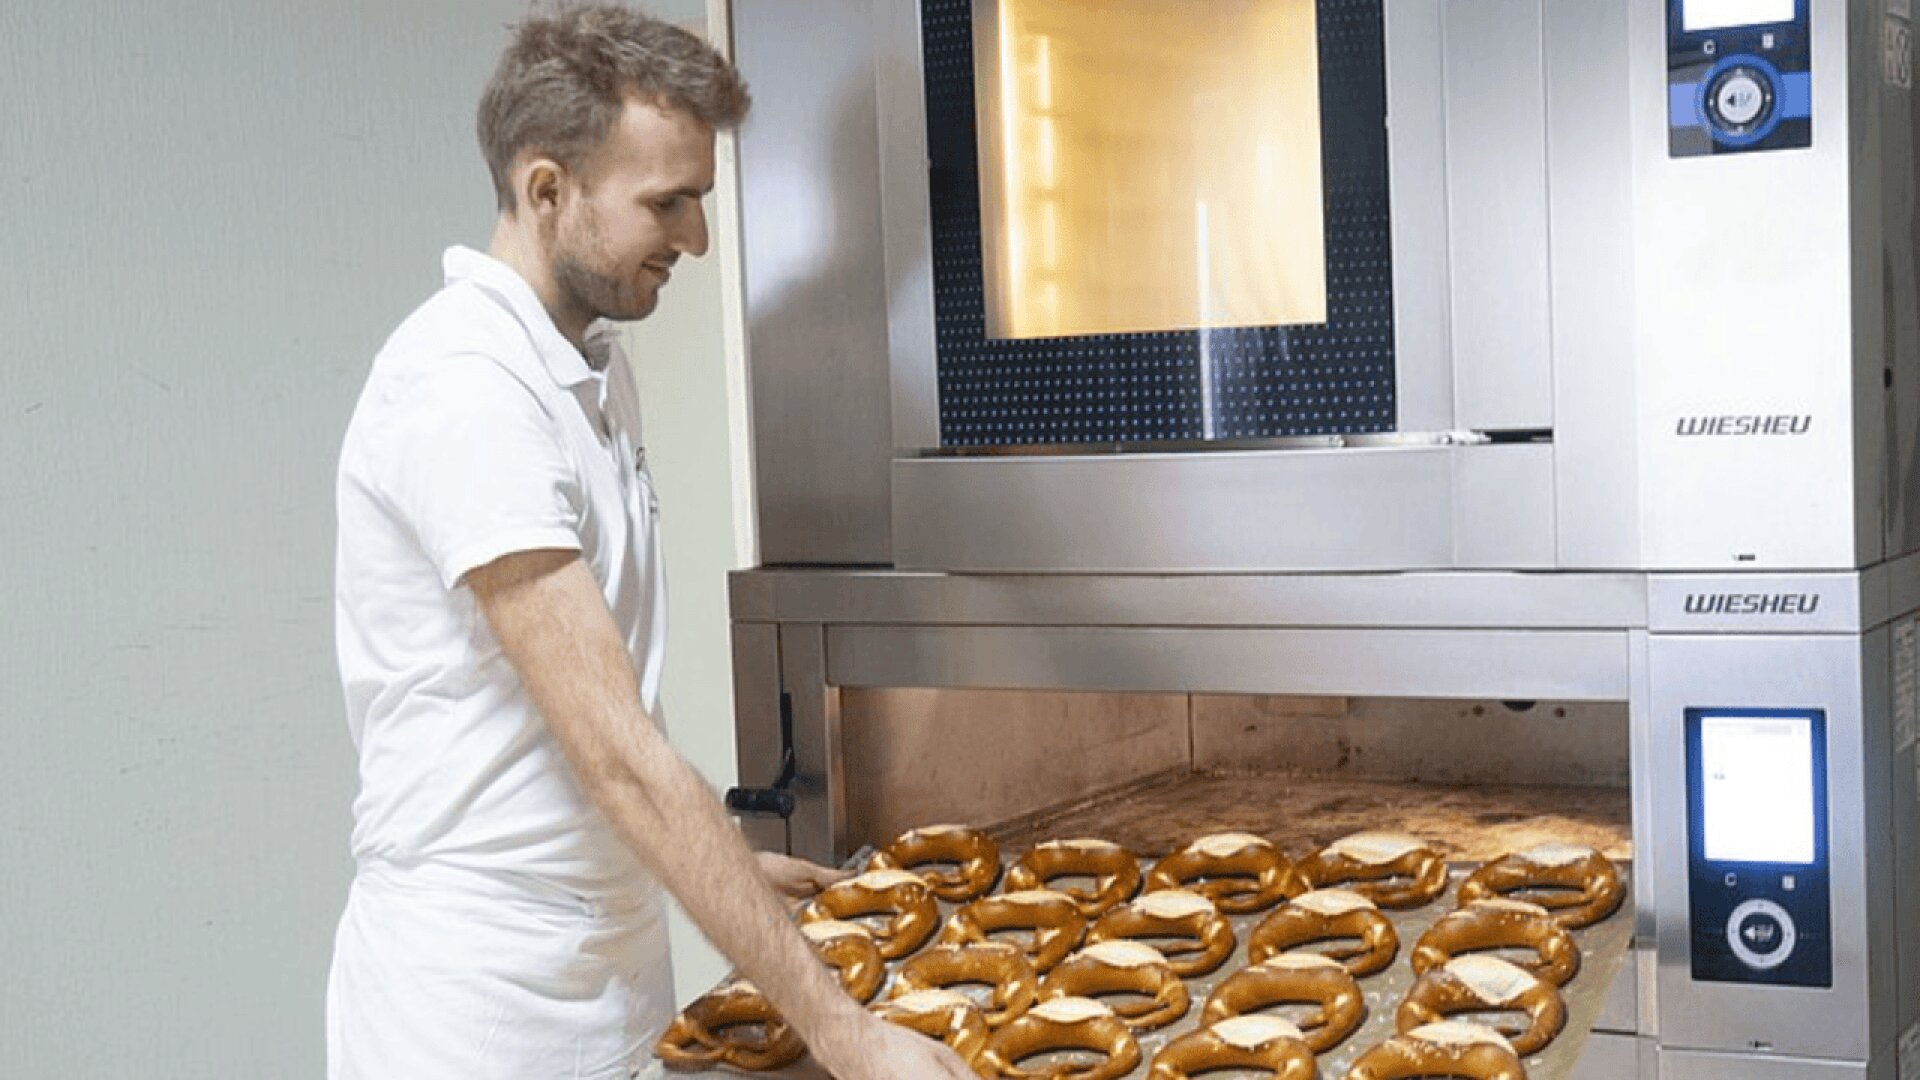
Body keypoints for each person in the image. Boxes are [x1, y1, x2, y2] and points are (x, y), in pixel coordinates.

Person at [325, 6, 976, 1078]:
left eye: (700, 200)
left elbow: (593, 713)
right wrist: (846, 1034)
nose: (698, 239)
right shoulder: (464, 391)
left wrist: (720, 863)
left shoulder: (588, 366)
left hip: (606, 970)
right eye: (667, 204)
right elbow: (619, 760)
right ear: (547, 190)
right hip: (478, 1009)